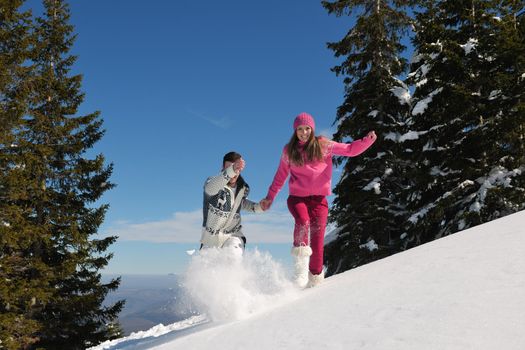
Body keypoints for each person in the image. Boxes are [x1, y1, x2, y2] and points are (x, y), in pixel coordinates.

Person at [260, 112, 377, 288]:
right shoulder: (289, 151)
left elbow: (349, 150)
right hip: (297, 199)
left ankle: (314, 279)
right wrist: (270, 197)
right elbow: (280, 176)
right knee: (303, 221)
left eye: (307, 128)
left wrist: (366, 141)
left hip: (319, 201)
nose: (304, 132)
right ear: (295, 131)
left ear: (312, 129)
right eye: (300, 129)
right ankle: (300, 271)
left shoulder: (323, 145)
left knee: (317, 240)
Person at [201, 151, 264, 258]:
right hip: (211, 236)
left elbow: (240, 204)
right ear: (223, 167)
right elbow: (210, 189)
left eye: (237, 168)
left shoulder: (243, 188)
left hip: (233, 234)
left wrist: (259, 207)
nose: (234, 171)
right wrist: (231, 170)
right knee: (206, 267)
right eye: (230, 167)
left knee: (232, 256)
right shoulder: (212, 182)